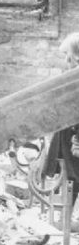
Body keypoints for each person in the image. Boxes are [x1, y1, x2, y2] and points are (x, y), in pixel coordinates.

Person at [42, 33, 79, 211]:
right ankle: (66, 214)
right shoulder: (73, 76)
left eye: (68, 56)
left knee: (73, 175)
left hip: (73, 135)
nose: (66, 60)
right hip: (68, 133)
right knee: (70, 175)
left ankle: (67, 215)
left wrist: (78, 140)